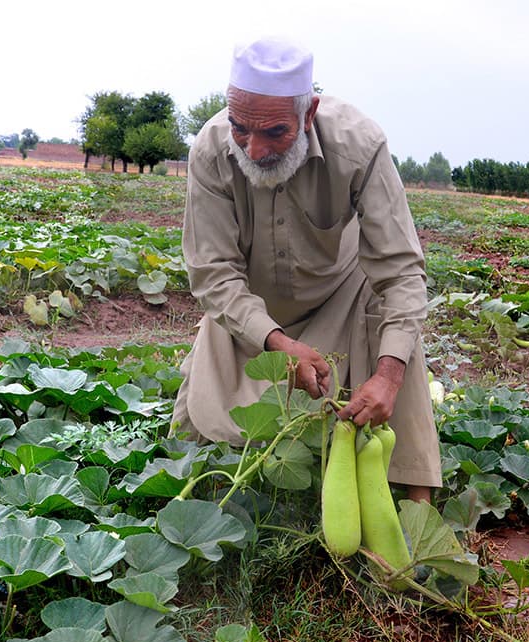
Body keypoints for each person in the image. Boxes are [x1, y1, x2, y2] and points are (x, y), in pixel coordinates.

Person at [171, 36, 441, 503]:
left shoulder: (360, 144)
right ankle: (197, 501)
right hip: (250, 306)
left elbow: (400, 271)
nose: (254, 150)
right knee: (196, 430)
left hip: (342, 291)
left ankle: (417, 513)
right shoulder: (212, 151)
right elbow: (214, 273)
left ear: (309, 113)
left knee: (396, 332)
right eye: (241, 128)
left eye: (275, 132)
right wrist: (277, 343)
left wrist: (389, 375)